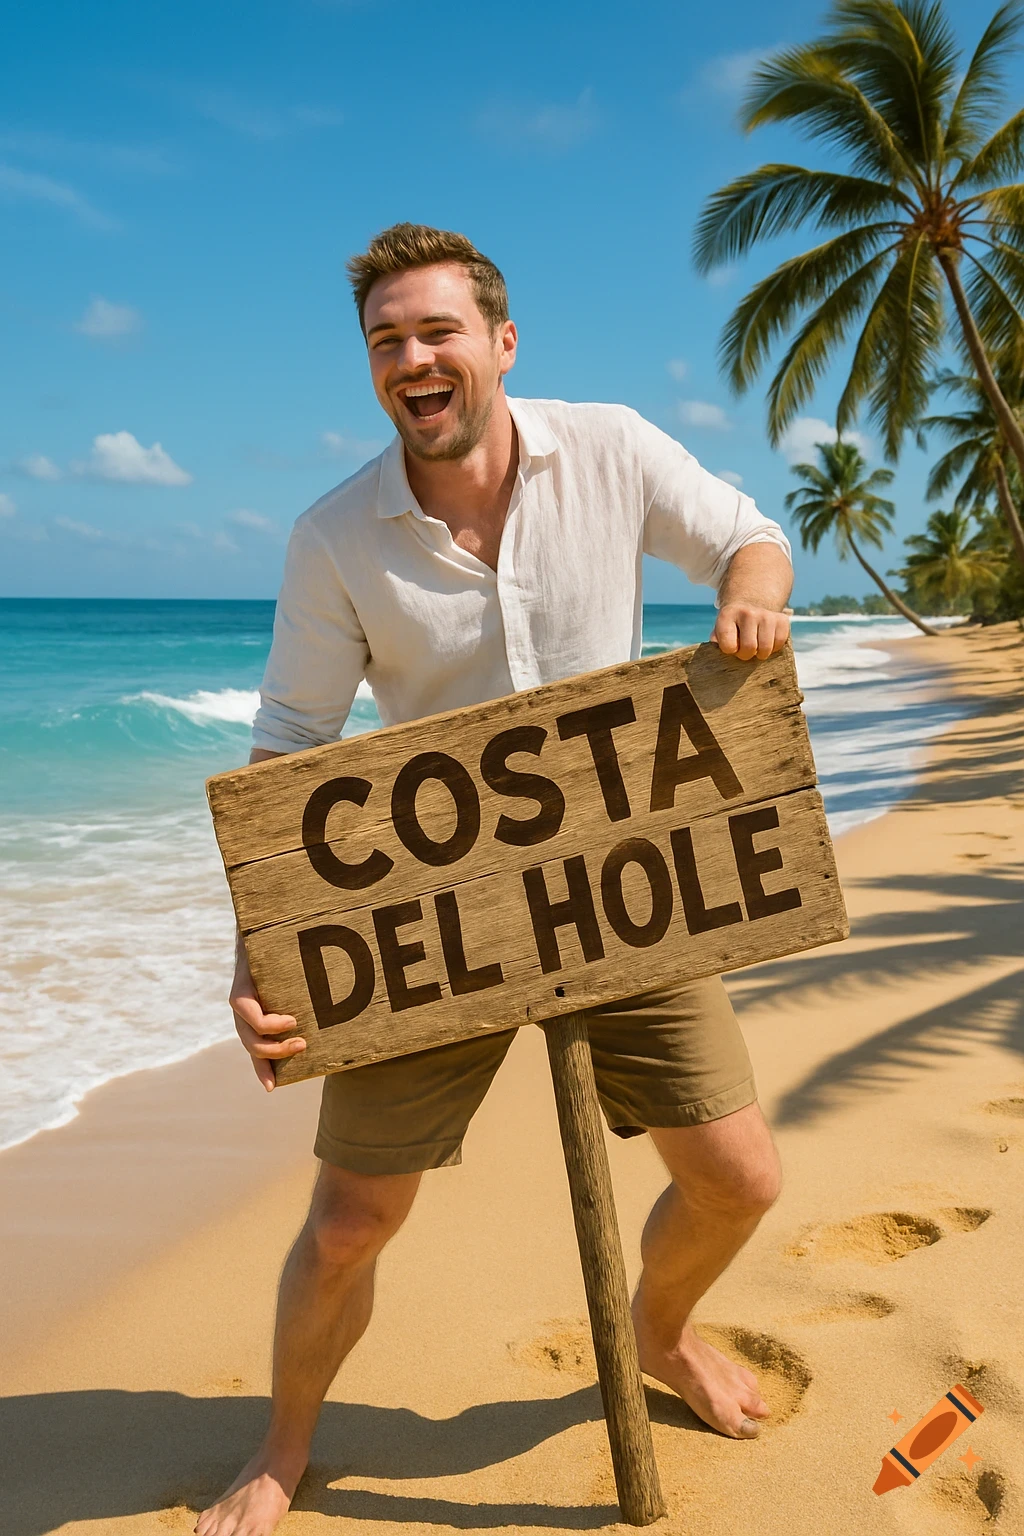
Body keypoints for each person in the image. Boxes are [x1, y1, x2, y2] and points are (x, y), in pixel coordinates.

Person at [196, 223, 793, 1536]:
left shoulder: (617, 449)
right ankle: (282, 1445)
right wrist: (259, 949)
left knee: (741, 1178)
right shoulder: (336, 536)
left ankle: (658, 1327)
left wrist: (753, 596)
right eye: (385, 341)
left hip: (625, 877)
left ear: (501, 344)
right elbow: (291, 750)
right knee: (350, 1221)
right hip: (432, 909)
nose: (412, 358)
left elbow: (752, 538)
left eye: (436, 331)